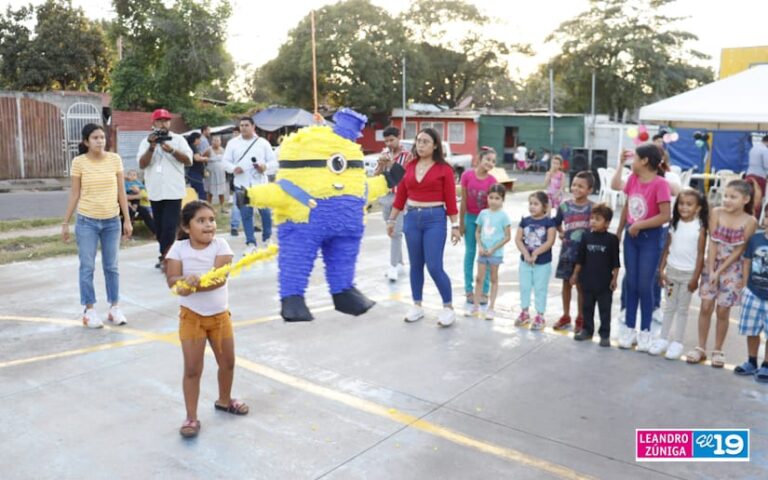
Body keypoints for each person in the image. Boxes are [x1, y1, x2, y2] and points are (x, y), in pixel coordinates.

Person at [165, 201, 248, 438]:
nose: (209, 224)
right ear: (186, 226)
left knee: (228, 363)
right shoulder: (179, 248)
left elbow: (219, 279)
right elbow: (172, 279)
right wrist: (181, 282)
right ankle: (191, 417)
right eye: (201, 221)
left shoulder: (221, 245)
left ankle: (224, 400)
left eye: (211, 219)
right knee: (192, 369)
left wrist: (189, 287)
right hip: (192, 318)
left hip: (220, 316)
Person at [387, 127, 461, 327]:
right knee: (415, 265)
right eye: (418, 141)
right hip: (411, 218)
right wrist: (392, 220)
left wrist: (455, 225)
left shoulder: (444, 169)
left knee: (434, 266)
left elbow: (451, 201)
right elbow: (401, 196)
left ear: (435, 145)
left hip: (434, 219)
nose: (420, 145)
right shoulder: (409, 166)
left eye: (425, 141)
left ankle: (448, 307)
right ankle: (417, 305)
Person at [62, 124, 133, 328]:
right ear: (86, 142)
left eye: (102, 137)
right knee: (87, 267)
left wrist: (126, 219)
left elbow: (122, 192)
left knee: (112, 266)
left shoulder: (115, 159)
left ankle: (114, 307)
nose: (100, 141)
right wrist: (65, 222)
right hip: (87, 222)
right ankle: (89, 310)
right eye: (95, 137)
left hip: (112, 221)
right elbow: (74, 193)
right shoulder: (79, 162)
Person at [687, 180, 757, 367]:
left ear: (745, 199)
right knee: (706, 306)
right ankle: (700, 347)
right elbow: (713, 243)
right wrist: (711, 270)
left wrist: (720, 270)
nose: (727, 200)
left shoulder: (751, 221)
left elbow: (739, 250)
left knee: (723, 310)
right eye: (726, 196)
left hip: (732, 269)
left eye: (733, 197)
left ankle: (718, 349)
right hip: (712, 264)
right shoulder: (715, 212)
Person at [616, 144, 672, 351]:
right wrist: (621, 229)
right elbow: (626, 203)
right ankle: (629, 328)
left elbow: (665, 216)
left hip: (650, 237)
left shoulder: (660, 184)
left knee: (644, 285)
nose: (633, 161)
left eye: (635, 157)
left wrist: (640, 225)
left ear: (645, 161)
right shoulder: (633, 179)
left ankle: (645, 331)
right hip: (632, 237)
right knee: (631, 282)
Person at [651, 188, 708, 359]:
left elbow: (700, 254)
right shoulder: (674, 224)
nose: (684, 207)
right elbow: (667, 248)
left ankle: (677, 342)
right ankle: (663, 339)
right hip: (672, 272)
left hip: (688, 275)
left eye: (689, 205)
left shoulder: (700, 227)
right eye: (681, 204)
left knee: (682, 309)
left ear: (698, 208)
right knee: (669, 307)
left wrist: (695, 278)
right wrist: (661, 269)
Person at [137, 108, 193, 270]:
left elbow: (188, 161)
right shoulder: (146, 141)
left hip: (173, 190)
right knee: (160, 227)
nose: (163, 123)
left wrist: (172, 150)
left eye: (166, 120)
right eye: (160, 121)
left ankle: (166, 258)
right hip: (155, 191)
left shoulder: (179, 140)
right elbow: (142, 164)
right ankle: (167, 254)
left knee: (169, 226)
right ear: (153, 123)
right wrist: (152, 147)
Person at [223, 116, 277, 254]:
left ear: (253, 127)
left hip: (261, 185)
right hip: (242, 185)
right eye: (241, 125)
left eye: (246, 125)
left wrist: (264, 167)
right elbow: (225, 162)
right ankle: (251, 243)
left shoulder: (262, 143)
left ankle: (267, 239)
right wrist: (234, 168)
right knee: (246, 215)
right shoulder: (232, 143)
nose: (243, 128)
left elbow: (274, 162)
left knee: (265, 213)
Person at [570, 203, 620, 345]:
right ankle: (587, 330)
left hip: (604, 283)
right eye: (592, 218)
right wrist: (575, 275)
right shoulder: (586, 237)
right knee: (587, 308)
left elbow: (616, 263)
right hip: (587, 281)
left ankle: (605, 335)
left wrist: (614, 279)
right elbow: (580, 259)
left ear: (607, 223)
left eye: (597, 219)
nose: (593, 221)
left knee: (605, 310)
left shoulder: (612, 240)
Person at [553, 171, 595, 333]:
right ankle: (565, 316)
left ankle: (580, 317)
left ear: (589, 190)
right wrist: (561, 232)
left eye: (581, 186)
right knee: (566, 284)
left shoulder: (592, 208)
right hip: (566, 253)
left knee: (581, 287)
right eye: (574, 185)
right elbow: (556, 223)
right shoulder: (564, 206)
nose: (576, 188)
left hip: (584, 257)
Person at [459, 146, 498, 315]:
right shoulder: (467, 175)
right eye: (488, 159)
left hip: (486, 222)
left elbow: (495, 206)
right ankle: (469, 289)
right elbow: (464, 201)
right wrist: (460, 223)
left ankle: (484, 291)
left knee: (486, 255)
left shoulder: (492, 181)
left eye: (493, 161)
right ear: (479, 159)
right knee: (470, 253)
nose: (490, 163)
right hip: (469, 218)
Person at [734, 202, 768, 382]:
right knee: (752, 330)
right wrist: (746, 284)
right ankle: (752, 360)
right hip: (754, 292)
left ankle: (766, 365)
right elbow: (747, 260)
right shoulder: (756, 239)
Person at [514, 191, 556, 330]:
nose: (532, 206)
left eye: (536, 204)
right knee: (525, 287)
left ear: (544, 207)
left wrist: (536, 253)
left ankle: (540, 315)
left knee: (540, 288)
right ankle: (525, 312)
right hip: (525, 261)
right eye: (530, 203)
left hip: (542, 263)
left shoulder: (549, 223)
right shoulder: (525, 221)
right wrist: (526, 253)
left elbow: (550, 241)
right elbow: (518, 239)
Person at [469, 184, 511, 320]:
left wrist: (493, 249)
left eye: (497, 198)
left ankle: (491, 308)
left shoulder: (504, 216)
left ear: (502, 200)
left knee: (493, 279)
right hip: (482, 252)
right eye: (491, 197)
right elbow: (478, 231)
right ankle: (475, 306)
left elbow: (507, 236)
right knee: (479, 278)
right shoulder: (483, 214)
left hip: (495, 254)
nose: (493, 200)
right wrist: (480, 246)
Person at [375, 126, 411, 282]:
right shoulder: (384, 154)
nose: (389, 143)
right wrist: (381, 165)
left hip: (400, 197)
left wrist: (391, 164)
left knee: (396, 232)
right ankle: (400, 263)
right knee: (391, 232)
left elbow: (405, 177)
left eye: (392, 140)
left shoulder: (407, 155)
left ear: (399, 137)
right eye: (386, 141)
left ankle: (393, 267)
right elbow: (376, 175)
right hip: (386, 196)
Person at [124, 169, 156, 235]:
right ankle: (125, 234)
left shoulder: (137, 182)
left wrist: (138, 191)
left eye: (134, 175)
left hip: (136, 201)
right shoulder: (125, 182)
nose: (132, 176)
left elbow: (143, 194)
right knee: (130, 212)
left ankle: (156, 232)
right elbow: (123, 194)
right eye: (130, 175)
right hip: (126, 202)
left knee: (145, 212)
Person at [745, 134, 768, 220]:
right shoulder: (765, 150)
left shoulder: (753, 148)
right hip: (759, 177)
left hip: (749, 175)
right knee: (758, 200)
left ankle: (746, 216)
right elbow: (767, 165)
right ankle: (755, 219)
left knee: (747, 197)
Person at [205, 135, 229, 211]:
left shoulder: (223, 150)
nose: (216, 142)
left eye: (217, 140)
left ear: (220, 142)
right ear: (211, 141)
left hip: (221, 174)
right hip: (212, 173)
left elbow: (226, 160)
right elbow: (202, 158)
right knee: (210, 191)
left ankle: (223, 207)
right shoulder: (208, 150)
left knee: (221, 191)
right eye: (214, 140)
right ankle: (208, 207)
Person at [186, 132, 208, 201]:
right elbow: (197, 158)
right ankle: (203, 207)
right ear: (196, 139)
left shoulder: (192, 147)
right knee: (201, 192)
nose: (200, 141)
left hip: (195, 172)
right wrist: (205, 158)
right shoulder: (192, 147)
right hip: (194, 173)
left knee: (195, 191)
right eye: (199, 139)